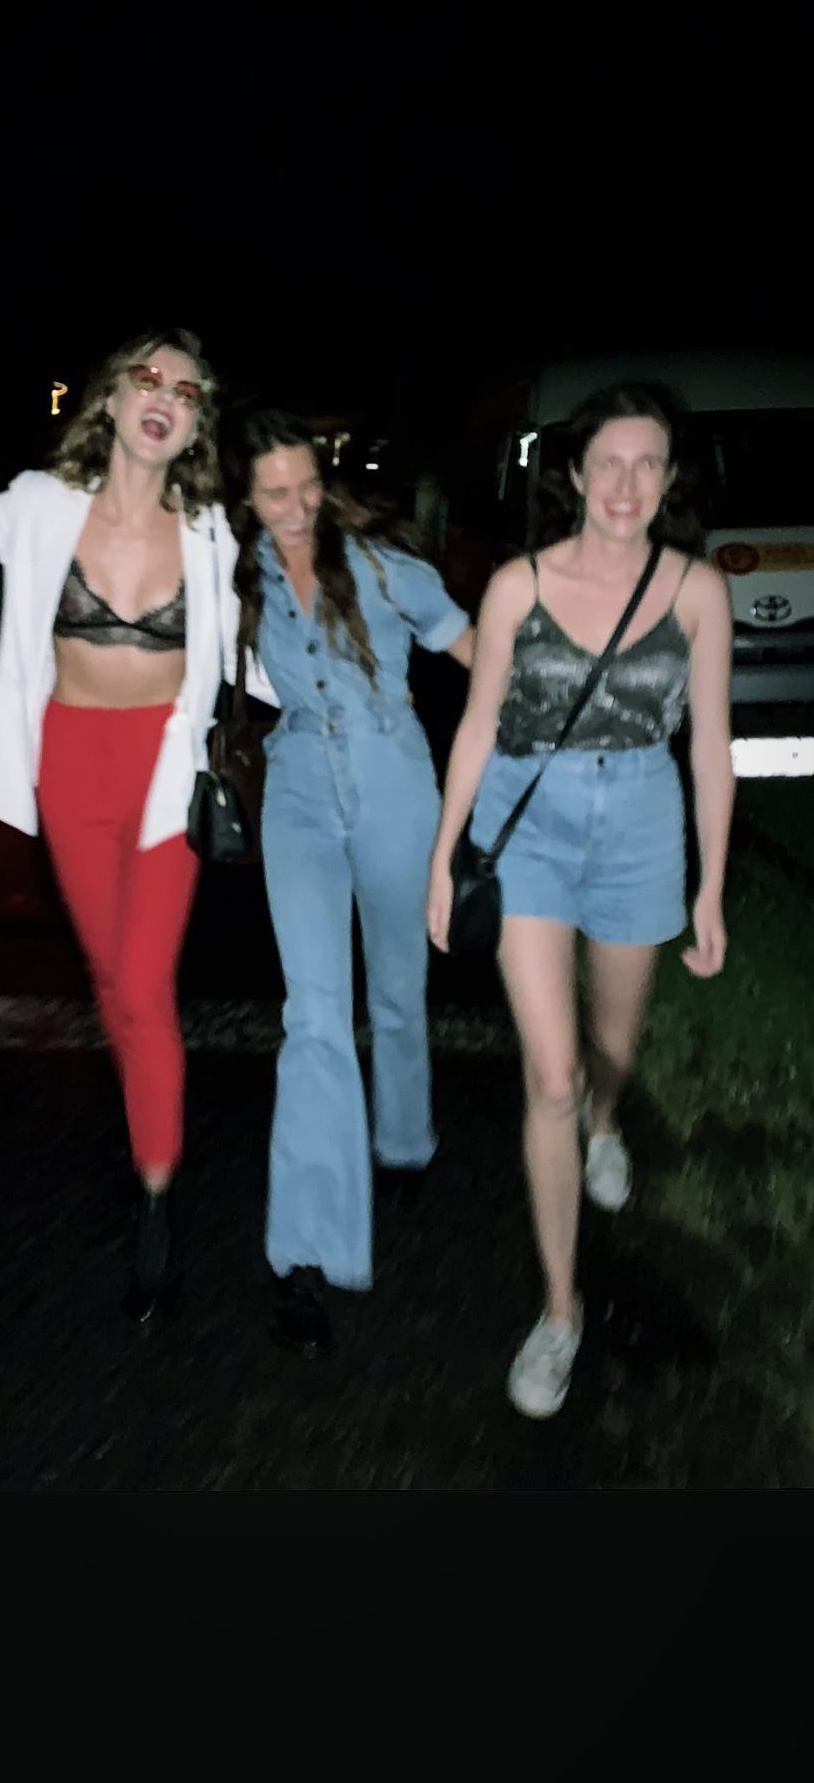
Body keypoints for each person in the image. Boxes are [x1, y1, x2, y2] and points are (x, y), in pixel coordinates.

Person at [427, 381, 734, 1419]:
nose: (626, 484)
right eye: (609, 462)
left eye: (648, 464)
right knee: (549, 1076)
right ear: (573, 473)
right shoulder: (518, 584)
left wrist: (711, 887)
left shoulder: (698, 590)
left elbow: (711, 749)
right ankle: (560, 1311)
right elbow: (477, 725)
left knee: (612, 1051)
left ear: (669, 479)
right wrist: (444, 856)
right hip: (530, 821)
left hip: (643, 821)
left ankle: (609, 1121)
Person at [0, 328, 275, 1322]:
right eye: (147, 377)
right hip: (69, 767)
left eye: (187, 389)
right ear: (109, 399)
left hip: (167, 774)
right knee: (112, 981)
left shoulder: (214, 531)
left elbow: (272, 639)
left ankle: (157, 1199)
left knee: (142, 986)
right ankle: (151, 1124)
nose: (163, 395)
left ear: (197, 424)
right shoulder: (40, 504)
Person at [222, 408, 474, 1355]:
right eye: (274, 493)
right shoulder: (237, 575)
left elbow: (477, 652)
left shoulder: (381, 564)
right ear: (245, 497)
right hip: (296, 792)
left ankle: (404, 1137)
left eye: (307, 487)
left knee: (399, 988)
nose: (297, 508)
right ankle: (305, 1252)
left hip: (394, 782)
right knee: (315, 1018)